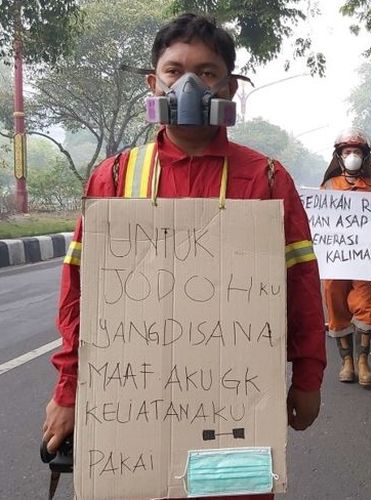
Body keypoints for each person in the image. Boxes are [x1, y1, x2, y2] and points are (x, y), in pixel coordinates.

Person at [42, 14, 327, 499]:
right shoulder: (113, 179)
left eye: (207, 72)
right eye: (174, 71)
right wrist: (68, 390)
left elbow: (300, 286)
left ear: (230, 89)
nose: (190, 84)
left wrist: (308, 375)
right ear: (154, 82)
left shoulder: (267, 180)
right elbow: (79, 294)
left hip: (234, 403)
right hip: (132, 406)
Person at [321, 128, 371, 386]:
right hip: (335, 260)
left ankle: (363, 361)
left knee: (364, 305)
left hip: (365, 259)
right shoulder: (327, 186)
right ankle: (346, 361)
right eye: (348, 152)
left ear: (365, 156)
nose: (352, 156)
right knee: (335, 306)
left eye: (357, 151)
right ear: (339, 155)